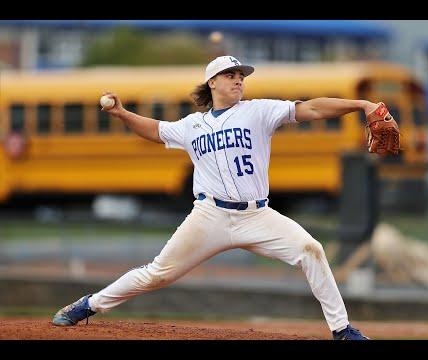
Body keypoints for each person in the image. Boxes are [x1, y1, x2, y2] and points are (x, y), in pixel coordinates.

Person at [52, 55, 380, 340]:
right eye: (231, 75)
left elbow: (310, 107)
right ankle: (88, 304)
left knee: (311, 250)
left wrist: (361, 105)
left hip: (258, 216)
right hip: (209, 216)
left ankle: (342, 330)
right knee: (158, 274)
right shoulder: (192, 126)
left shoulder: (259, 111)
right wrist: (123, 114)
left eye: (241, 76)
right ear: (212, 82)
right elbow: (155, 130)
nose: (239, 80)